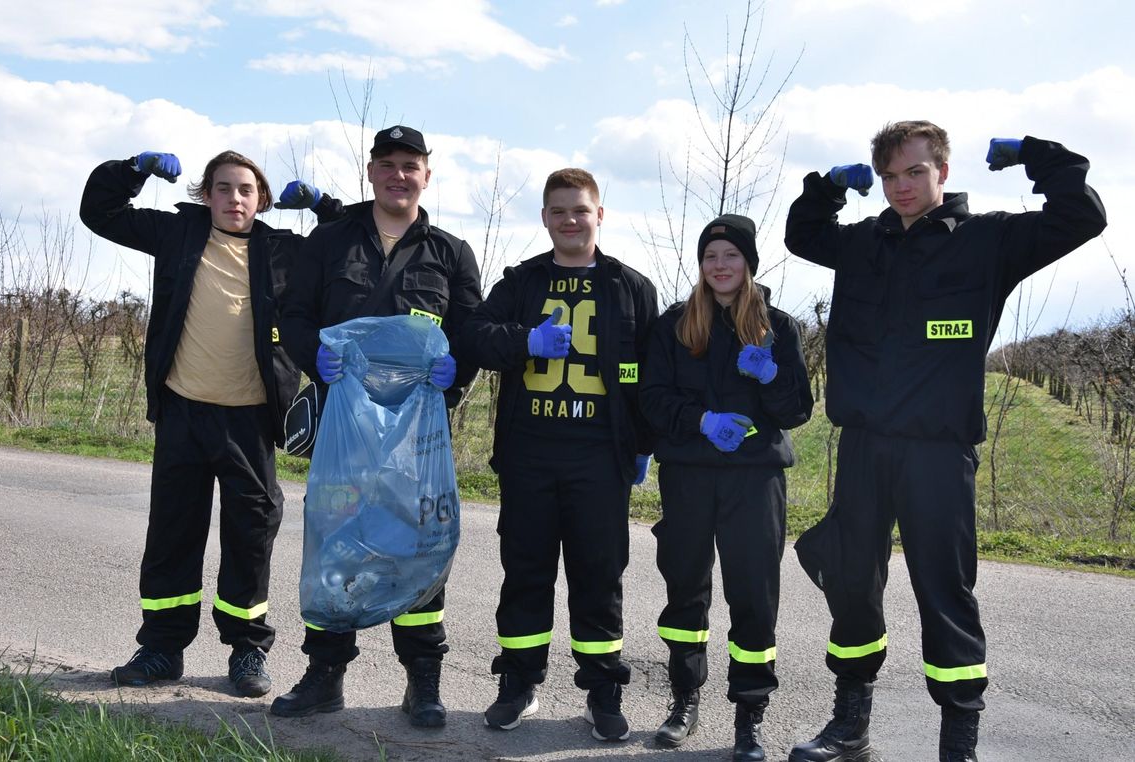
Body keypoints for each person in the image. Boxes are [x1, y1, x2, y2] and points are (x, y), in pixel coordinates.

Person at [783, 121, 1107, 762]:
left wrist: (1037, 157)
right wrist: (825, 189)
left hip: (938, 450)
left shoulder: (989, 241)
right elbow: (801, 234)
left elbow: (1082, 216)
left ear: (943, 173)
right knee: (852, 583)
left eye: (915, 172)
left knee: (945, 592)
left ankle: (959, 740)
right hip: (865, 447)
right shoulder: (861, 244)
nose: (901, 187)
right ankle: (850, 724)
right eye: (889, 176)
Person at [270, 124, 482, 728]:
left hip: (418, 435)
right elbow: (294, 314)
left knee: (418, 544)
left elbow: (468, 330)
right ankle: (324, 675)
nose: (398, 174)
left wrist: (454, 373)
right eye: (386, 164)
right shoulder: (331, 241)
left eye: (409, 165)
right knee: (336, 544)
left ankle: (423, 682)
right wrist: (317, 357)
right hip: (344, 428)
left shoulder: (450, 252)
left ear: (426, 175)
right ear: (371, 172)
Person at [80, 150, 303, 698]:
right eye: (223, 188)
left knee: (251, 534)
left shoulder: (284, 251)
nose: (234, 199)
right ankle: (161, 647)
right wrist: (133, 168)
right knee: (173, 531)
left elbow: (351, 242)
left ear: (262, 199)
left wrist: (324, 205)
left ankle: (247, 650)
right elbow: (100, 212)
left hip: (250, 417)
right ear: (207, 195)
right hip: (183, 409)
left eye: (246, 189)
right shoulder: (177, 233)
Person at [459, 168, 658, 742]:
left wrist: (641, 445)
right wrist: (526, 341)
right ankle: (519, 683)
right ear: (544, 218)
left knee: (599, 576)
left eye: (581, 210)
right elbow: (473, 336)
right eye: (559, 211)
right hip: (529, 455)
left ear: (601, 215)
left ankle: (602, 690)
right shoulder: (522, 282)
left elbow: (649, 374)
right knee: (525, 571)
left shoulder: (630, 287)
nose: (570, 220)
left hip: (600, 458)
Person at [640, 214, 813, 760]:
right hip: (689, 474)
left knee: (753, 596)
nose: (720, 266)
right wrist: (700, 421)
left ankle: (750, 716)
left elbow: (798, 410)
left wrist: (771, 377)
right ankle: (684, 701)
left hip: (754, 479)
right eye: (711, 256)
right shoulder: (674, 324)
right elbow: (652, 397)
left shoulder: (780, 328)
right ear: (700, 265)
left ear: (749, 263)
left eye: (731, 256)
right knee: (685, 589)